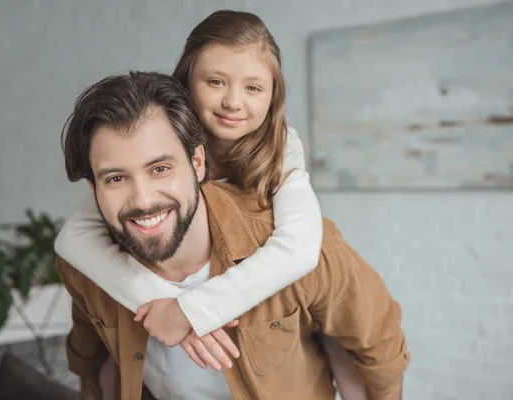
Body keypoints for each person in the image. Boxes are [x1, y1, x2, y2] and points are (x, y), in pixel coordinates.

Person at [55, 10, 369, 398]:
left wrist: (193, 311)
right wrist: (161, 302)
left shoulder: (280, 146)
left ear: (274, 96)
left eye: (254, 87)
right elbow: (73, 239)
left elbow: (300, 247)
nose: (233, 102)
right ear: (185, 82)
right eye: (216, 81)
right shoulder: (161, 132)